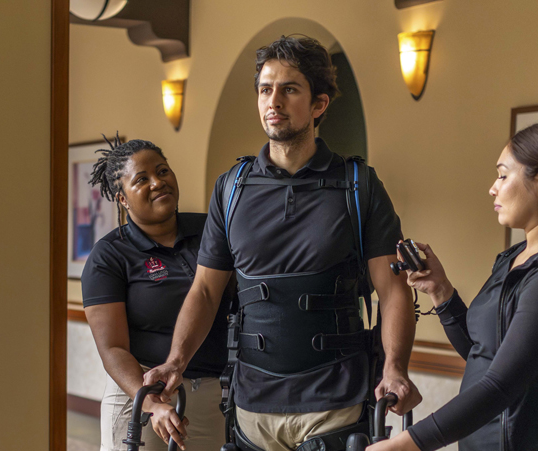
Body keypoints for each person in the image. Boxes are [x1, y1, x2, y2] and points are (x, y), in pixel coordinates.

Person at [143, 35, 421, 451]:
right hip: (252, 405)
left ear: (318, 105)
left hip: (336, 400)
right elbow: (204, 290)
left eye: (290, 89)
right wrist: (175, 361)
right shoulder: (231, 188)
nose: (273, 101)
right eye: (265, 89)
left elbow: (393, 288)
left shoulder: (358, 184)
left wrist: (395, 367)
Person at [369, 120, 538, 451]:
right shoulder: (513, 259)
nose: (493, 188)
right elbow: (483, 356)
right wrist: (441, 290)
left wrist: (408, 443)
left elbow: (501, 385)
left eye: (503, 175)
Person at [82, 136, 231, 451]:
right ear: (122, 199)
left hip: (212, 400)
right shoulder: (109, 255)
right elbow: (113, 349)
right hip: (139, 400)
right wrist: (151, 403)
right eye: (142, 179)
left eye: (163, 171)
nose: (157, 182)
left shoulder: (212, 233)